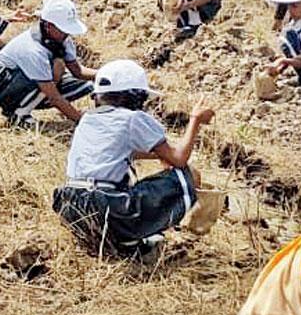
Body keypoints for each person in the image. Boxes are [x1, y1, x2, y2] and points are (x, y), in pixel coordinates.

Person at [52, 59, 220, 259]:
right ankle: (130, 238)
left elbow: (118, 151)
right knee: (186, 175)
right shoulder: (132, 119)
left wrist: (160, 153)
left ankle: (118, 242)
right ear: (135, 96)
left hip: (70, 206)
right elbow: (179, 159)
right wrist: (195, 120)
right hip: (105, 207)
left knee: (121, 182)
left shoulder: (87, 119)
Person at [0, 0, 95, 126]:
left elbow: (78, 71)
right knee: (56, 68)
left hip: (36, 82)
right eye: (63, 29)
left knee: (88, 84)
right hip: (1, 85)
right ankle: (19, 114)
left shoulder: (63, 40)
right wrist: (81, 120)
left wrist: (106, 73)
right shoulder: (33, 50)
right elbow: (54, 97)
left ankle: (27, 104)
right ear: (48, 25)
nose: (67, 34)